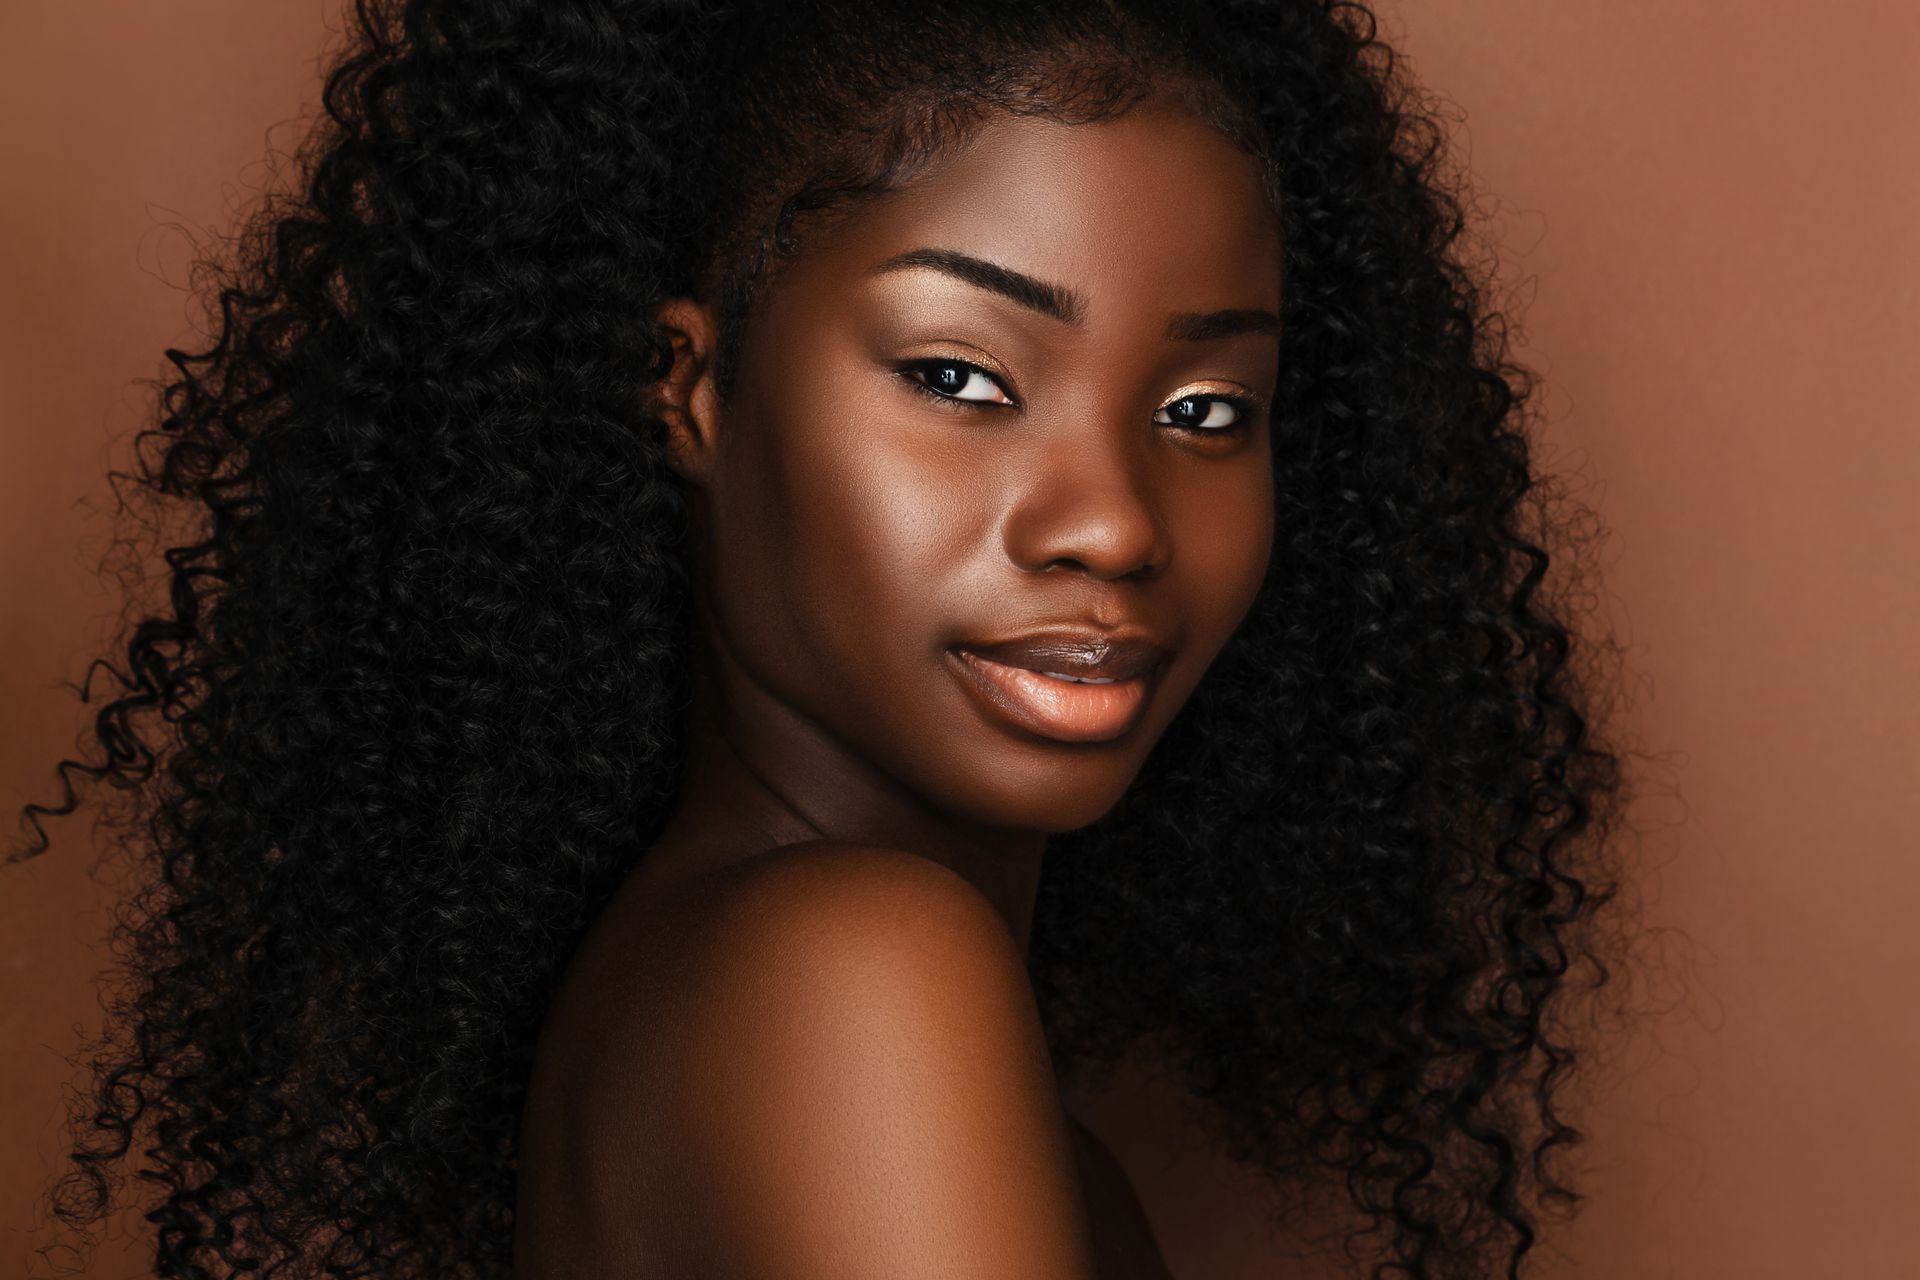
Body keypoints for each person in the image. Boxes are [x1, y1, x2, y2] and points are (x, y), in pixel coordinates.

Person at [11, 1, 1631, 1277]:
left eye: (1207, 409)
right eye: (961, 379)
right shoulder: (858, 976)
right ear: (690, 389)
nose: (1113, 524)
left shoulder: (751, 978)